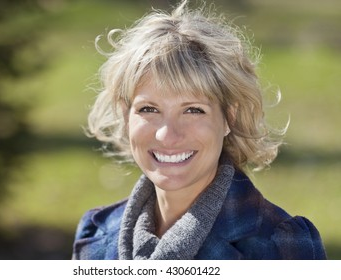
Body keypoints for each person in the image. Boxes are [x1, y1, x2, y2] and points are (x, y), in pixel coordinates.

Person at [72, 0, 326, 260]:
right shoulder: (95, 234)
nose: (167, 135)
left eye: (193, 110)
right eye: (149, 109)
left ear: (229, 117)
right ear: (127, 116)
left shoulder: (282, 247)